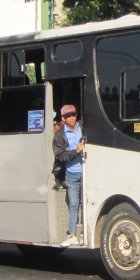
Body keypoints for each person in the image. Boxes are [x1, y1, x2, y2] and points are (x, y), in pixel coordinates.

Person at [52, 104, 86, 247]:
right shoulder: (59, 136)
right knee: (73, 204)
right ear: (63, 118)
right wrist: (76, 151)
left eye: (73, 114)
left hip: (87, 173)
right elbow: (60, 156)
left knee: (87, 204)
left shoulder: (83, 128)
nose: (71, 118)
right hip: (71, 174)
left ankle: (85, 232)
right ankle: (72, 235)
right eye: (68, 116)